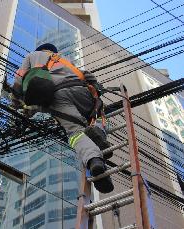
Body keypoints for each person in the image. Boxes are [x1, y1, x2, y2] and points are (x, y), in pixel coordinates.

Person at [11, 43, 114, 193]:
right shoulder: (65, 60)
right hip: (83, 93)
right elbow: (89, 76)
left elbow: (20, 78)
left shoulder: (32, 56)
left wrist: (15, 103)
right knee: (97, 118)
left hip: (59, 96)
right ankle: (97, 134)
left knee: (75, 133)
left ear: (40, 50)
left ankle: (94, 160)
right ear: (53, 51)